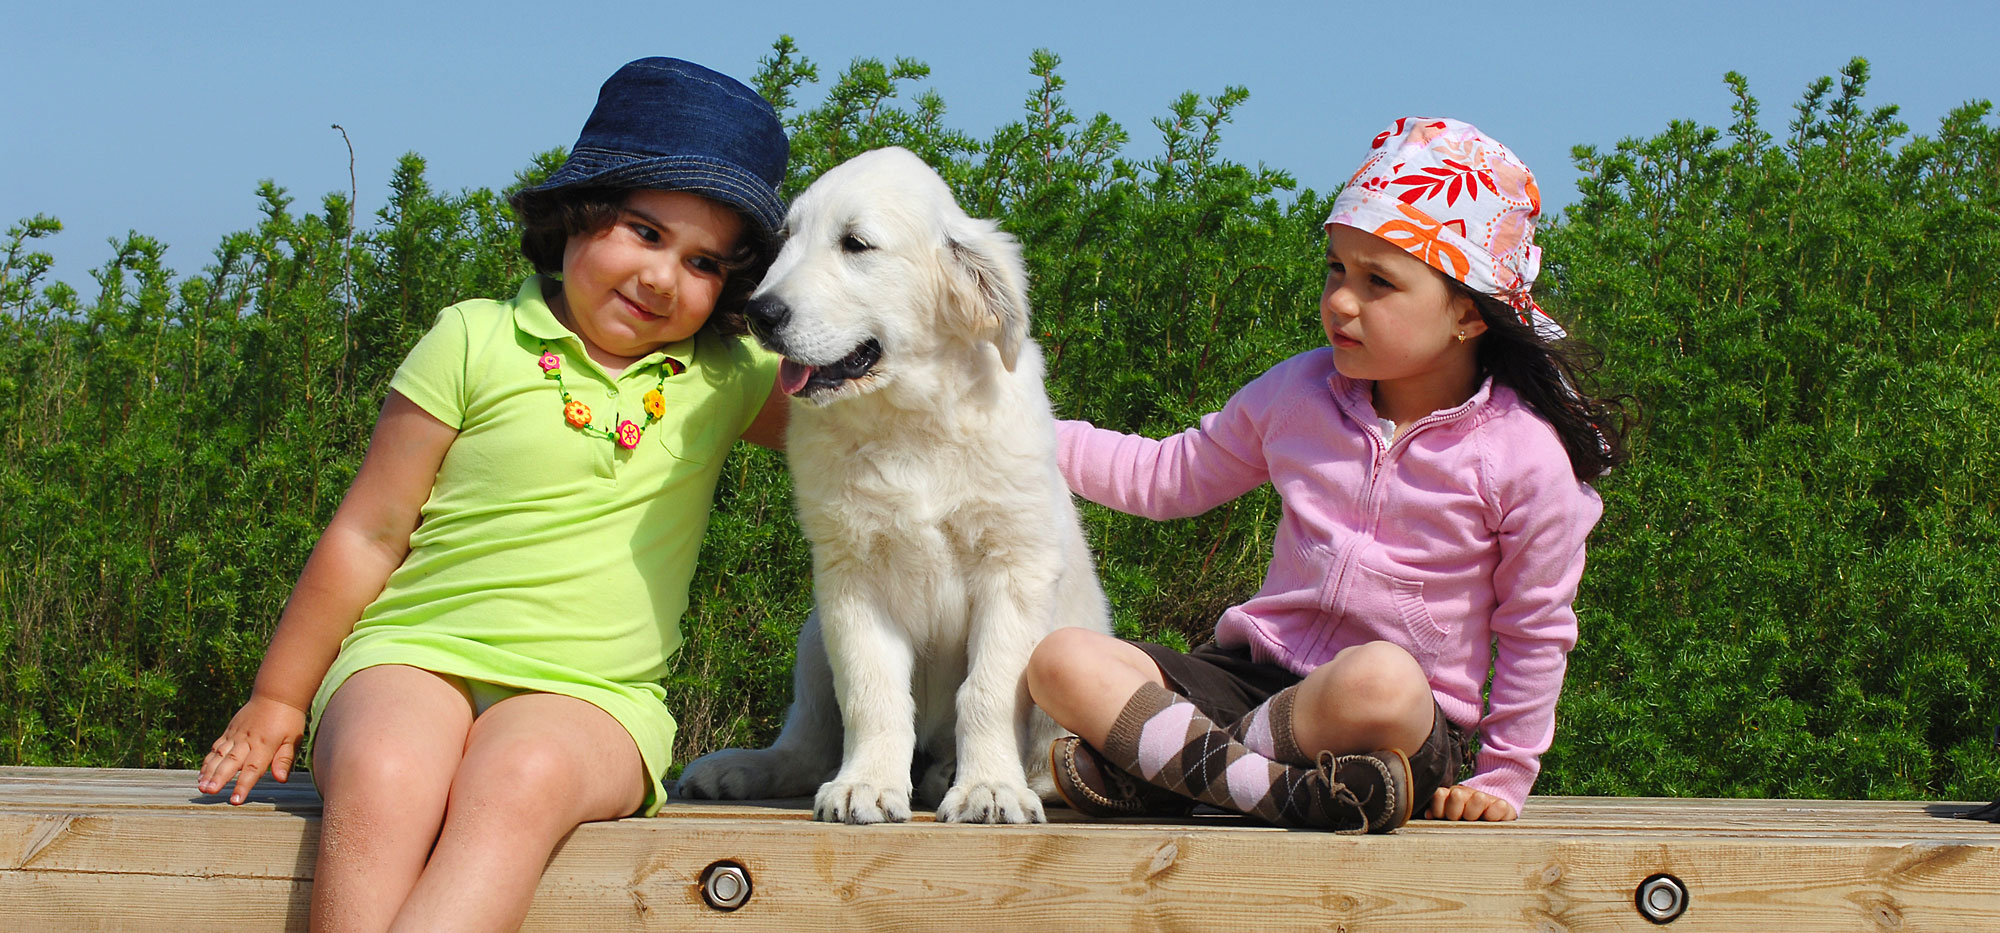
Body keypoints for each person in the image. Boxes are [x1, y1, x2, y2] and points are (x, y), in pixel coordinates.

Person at [195, 57, 791, 930]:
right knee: (391, 767)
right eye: (643, 230)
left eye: (704, 261)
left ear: (732, 285)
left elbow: (877, 420)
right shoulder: (474, 337)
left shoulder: (727, 375)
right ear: (577, 214)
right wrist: (280, 696)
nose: (663, 277)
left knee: (520, 776)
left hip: (593, 697)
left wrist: (1039, 433)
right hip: (413, 652)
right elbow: (370, 530)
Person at [1026, 117, 1626, 834]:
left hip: (1390, 717)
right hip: (1246, 682)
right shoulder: (1299, 395)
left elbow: (1536, 627)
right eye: (1337, 269)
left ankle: (1168, 769)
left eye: (1379, 282)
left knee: (1380, 675)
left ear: (1469, 314)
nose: (1342, 300)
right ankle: (1282, 793)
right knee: (1060, 659)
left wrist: (1504, 773)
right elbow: (1166, 474)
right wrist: (1018, 432)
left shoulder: (1524, 456)